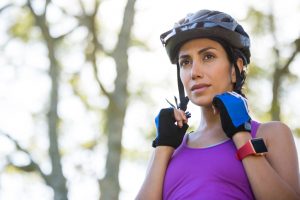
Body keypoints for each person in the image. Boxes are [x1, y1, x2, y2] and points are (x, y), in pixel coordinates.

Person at [136, 9, 300, 200]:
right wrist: (162, 147)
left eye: (208, 57)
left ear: (235, 68)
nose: (194, 72)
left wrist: (241, 134)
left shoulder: (270, 134)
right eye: (185, 62)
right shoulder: (170, 150)